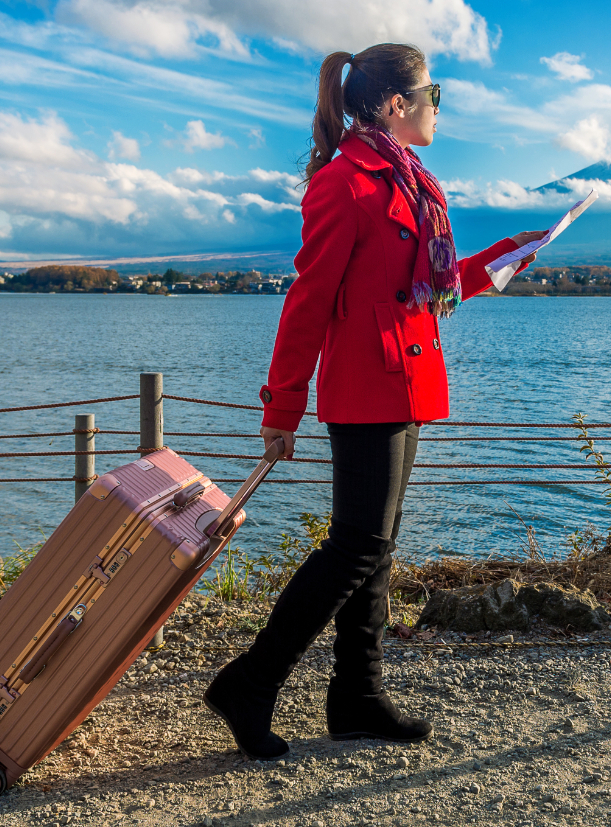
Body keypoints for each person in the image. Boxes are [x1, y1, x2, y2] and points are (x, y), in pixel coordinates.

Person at [204, 43, 546, 760]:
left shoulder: (409, 180)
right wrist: (282, 408)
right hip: (366, 386)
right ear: (397, 104)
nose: (437, 107)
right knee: (356, 546)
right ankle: (250, 683)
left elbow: (424, 288)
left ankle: (357, 696)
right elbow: (308, 302)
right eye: (433, 94)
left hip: (405, 381)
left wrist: (501, 258)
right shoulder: (344, 183)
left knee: (375, 546)